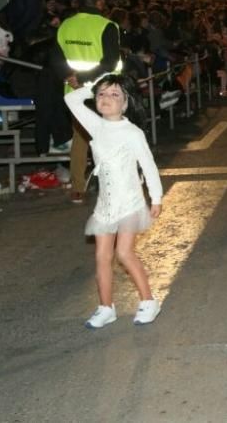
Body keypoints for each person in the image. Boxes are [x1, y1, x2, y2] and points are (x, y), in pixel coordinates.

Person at [64, 74, 163, 328]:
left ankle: (149, 301)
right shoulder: (96, 126)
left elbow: (148, 166)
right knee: (102, 256)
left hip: (130, 202)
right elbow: (71, 99)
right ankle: (106, 307)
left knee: (124, 252)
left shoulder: (132, 132)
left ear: (126, 103)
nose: (106, 98)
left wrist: (156, 197)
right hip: (106, 205)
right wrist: (95, 84)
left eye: (115, 95)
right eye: (102, 94)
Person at [52, 0, 122, 202]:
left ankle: (77, 188)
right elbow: (110, 62)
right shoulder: (107, 26)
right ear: (100, 2)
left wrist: (71, 77)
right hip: (103, 91)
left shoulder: (66, 25)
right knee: (109, 137)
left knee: (80, 138)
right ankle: (111, 184)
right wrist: (84, 78)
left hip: (73, 92)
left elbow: (55, 57)